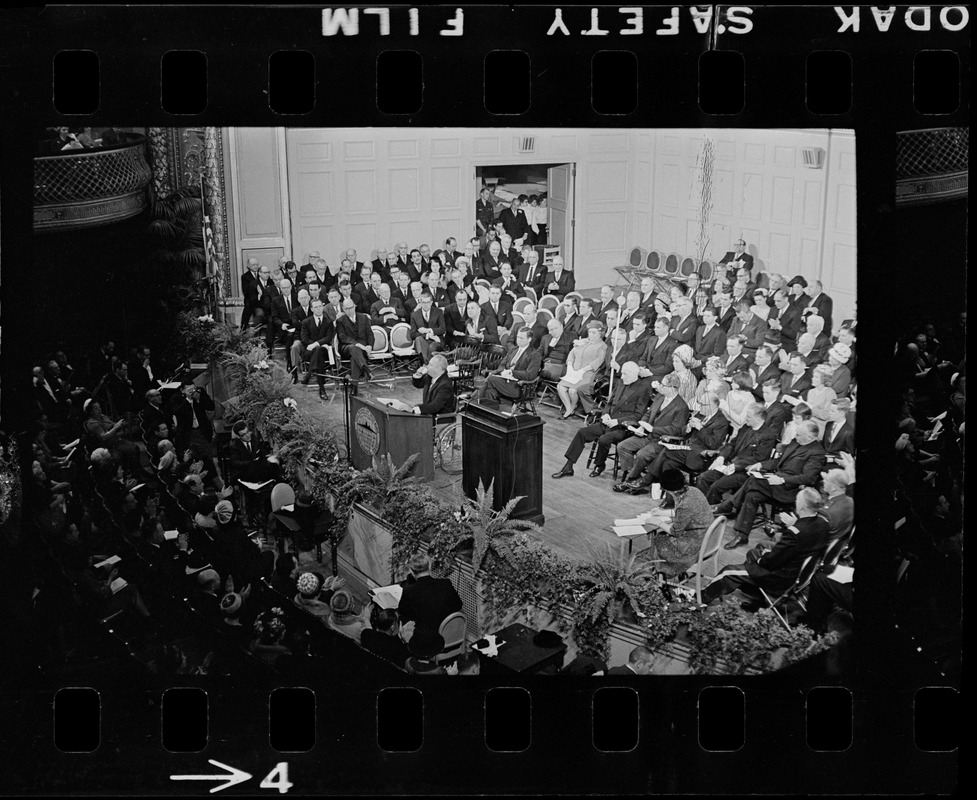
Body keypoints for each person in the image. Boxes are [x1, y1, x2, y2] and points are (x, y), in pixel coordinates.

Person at [702, 487, 830, 606]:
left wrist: (761, 559)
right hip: (799, 572)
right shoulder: (823, 523)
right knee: (753, 552)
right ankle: (757, 596)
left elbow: (771, 561)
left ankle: (700, 598)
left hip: (780, 578)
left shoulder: (795, 532)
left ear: (802, 506)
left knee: (728, 571)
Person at [715, 420, 827, 550]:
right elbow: (778, 461)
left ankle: (727, 506)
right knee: (752, 495)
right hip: (775, 482)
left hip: (790, 490)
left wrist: (783, 480)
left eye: (799, 434)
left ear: (810, 437)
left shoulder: (817, 453)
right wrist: (761, 465)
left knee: (753, 481)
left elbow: (808, 477)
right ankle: (742, 536)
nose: (795, 436)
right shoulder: (796, 441)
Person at [552, 362, 652, 479]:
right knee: (582, 432)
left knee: (604, 439)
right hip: (608, 421)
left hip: (623, 427)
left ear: (634, 375)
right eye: (622, 373)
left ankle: (599, 465)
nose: (622, 376)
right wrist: (605, 414)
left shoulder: (643, 389)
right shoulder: (621, 382)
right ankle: (568, 467)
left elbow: (638, 415)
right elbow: (609, 403)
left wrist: (617, 421)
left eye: (625, 374)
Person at [616, 392, 731, 494]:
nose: (699, 406)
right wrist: (688, 428)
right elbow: (682, 433)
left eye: (702, 404)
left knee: (667, 451)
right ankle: (670, 497)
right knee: (668, 463)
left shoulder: (722, 422)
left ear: (712, 405)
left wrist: (701, 428)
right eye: (699, 403)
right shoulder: (700, 414)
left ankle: (646, 480)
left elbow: (713, 444)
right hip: (687, 449)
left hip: (701, 456)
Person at [613, 373, 691, 486]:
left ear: (672, 388)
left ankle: (629, 480)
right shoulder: (660, 397)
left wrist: (653, 429)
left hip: (661, 441)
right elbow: (648, 413)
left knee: (641, 455)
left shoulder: (682, 407)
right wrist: (642, 425)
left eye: (663, 385)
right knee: (622, 446)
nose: (660, 387)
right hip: (646, 436)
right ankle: (634, 475)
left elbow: (676, 430)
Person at [696, 402, 779, 504]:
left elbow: (758, 459)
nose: (745, 418)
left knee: (716, 486)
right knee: (703, 478)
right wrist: (721, 457)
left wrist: (736, 466)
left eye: (748, 416)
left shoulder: (768, 435)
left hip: (744, 470)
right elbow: (732, 445)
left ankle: (715, 509)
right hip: (729, 465)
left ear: (758, 419)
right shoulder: (745, 427)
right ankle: (704, 505)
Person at [640, 469, 714, 579]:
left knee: (659, 539)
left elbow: (675, 532)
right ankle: (657, 569)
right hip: (708, 538)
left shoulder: (685, 504)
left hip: (695, 545)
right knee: (661, 537)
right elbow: (689, 513)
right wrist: (664, 512)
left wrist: (658, 522)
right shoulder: (694, 491)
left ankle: (660, 573)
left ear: (670, 490)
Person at [397, 553, 463, 632]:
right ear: (429, 567)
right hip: (448, 634)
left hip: (424, 638)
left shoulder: (409, 590)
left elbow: (403, 612)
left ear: (411, 571)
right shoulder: (446, 583)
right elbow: (458, 605)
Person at [476, 328, 541, 407]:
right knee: (489, 392)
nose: (518, 340)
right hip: (504, 380)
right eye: (518, 337)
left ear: (529, 339)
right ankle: (490, 412)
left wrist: (511, 372)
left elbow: (530, 375)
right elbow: (502, 365)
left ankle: (472, 401)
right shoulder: (513, 349)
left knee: (490, 378)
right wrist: (503, 372)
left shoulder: (535, 354)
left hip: (519, 386)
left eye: (521, 338)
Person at [557, 322, 607, 419]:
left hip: (587, 373)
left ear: (600, 333)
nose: (590, 334)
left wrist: (583, 370)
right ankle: (569, 408)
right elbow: (572, 353)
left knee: (572, 390)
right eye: (589, 332)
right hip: (573, 372)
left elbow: (598, 361)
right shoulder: (582, 341)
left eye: (594, 332)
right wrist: (570, 364)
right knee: (560, 387)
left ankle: (572, 407)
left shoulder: (602, 346)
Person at [298, 299, 336, 399]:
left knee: (319, 351)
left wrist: (316, 344)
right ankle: (321, 387)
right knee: (318, 353)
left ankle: (311, 376)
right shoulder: (306, 322)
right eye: (316, 307)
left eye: (320, 306)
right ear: (311, 309)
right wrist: (316, 345)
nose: (318, 309)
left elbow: (329, 337)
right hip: (309, 352)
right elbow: (304, 339)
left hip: (325, 351)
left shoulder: (328, 321)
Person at [336, 298, 373, 389]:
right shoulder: (340, 320)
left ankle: (354, 387)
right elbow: (342, 337)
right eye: (347, 309)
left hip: (362, 349)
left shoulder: (364, 317)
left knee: (354, 358)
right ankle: (366, 370)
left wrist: (370, 346)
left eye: (351, 308)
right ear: (343, 309)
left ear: (355, 307)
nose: (350, 310)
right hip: (346, 348)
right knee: (353, 348)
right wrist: (357, 344)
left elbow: (370, 334)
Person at [410, 293, 446, 365]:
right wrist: (428, 335)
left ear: (431, 302)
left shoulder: (438, 312)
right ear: (420, 302)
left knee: (432, 347)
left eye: (428, 302)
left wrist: (428, 330)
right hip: (423, 340)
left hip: (436, 340)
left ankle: (425, 365)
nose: (425, 304)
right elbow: (413, 334)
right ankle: (427, 365)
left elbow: (442, 329)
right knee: (418, 339)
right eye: (423, 302)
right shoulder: (414, 315)